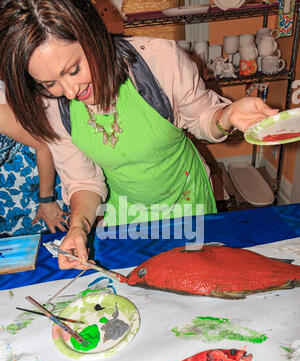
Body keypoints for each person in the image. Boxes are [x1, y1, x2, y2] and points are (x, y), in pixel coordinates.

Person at [0, 0, 279, 269]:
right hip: (123, 211)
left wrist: (227, 116)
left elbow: (203, 118)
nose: (70, 92)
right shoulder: (51, 105)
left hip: (185, 199)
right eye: (50, 83)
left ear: (93, 34)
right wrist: (77, 228)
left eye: (74, 70)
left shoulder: (159, 61)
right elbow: (84, 180)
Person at [0, 87, 69, 233]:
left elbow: (43, 145)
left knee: (57, 243)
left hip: (37, 177)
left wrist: (46, 201)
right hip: (5, 194)